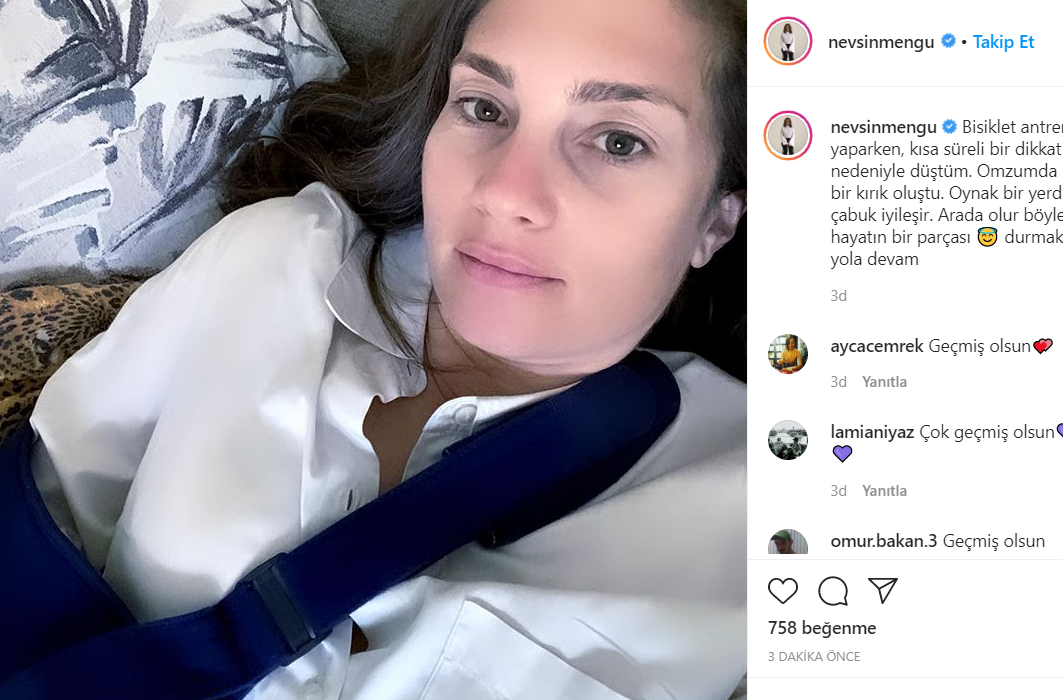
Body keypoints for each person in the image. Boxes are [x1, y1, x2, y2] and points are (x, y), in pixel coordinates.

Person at [25, 0, 748, 698]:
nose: (504, 193)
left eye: (619, 141)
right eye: (483, 107)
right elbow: (34, 543)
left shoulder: (760, 509)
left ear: (716, 220)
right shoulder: (272, 263)